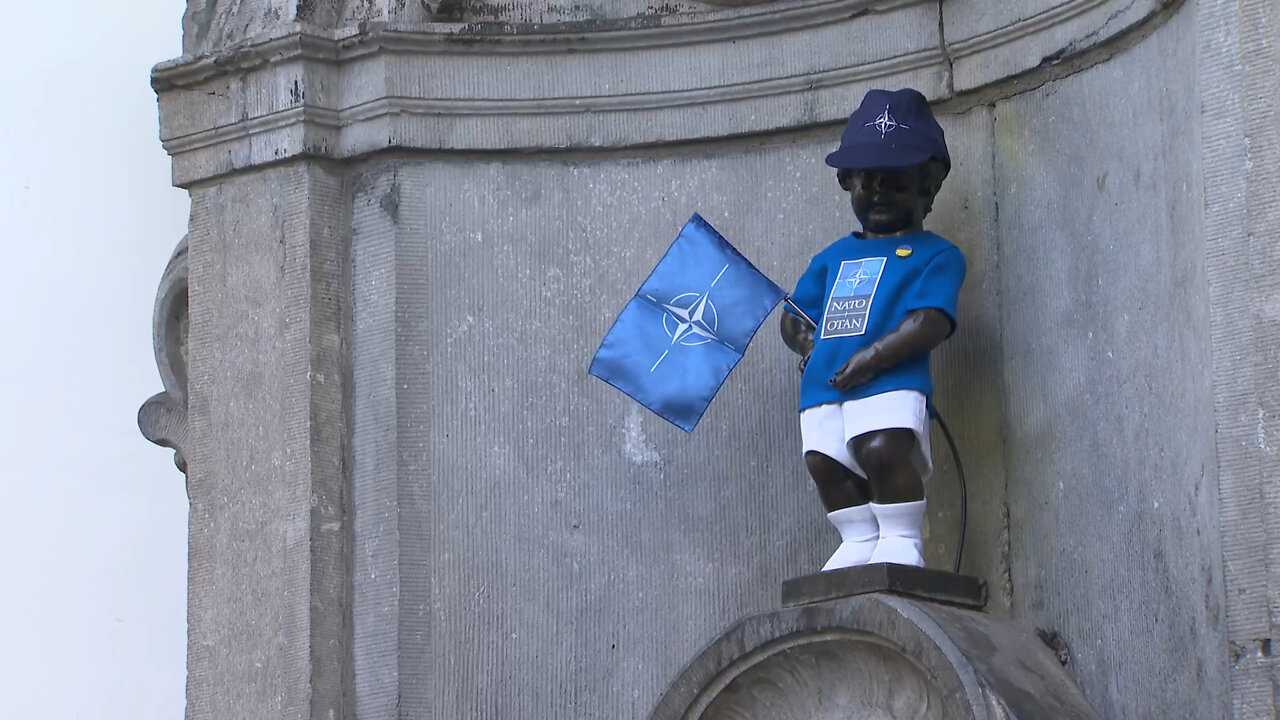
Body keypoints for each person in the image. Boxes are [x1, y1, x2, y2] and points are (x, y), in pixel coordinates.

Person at [781, 88, 965, 570]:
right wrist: (807, 340)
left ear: (928, 188)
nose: (879, 193)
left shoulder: (936, 255)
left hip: (889, 379)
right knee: (825, 461)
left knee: (881, 447)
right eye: (868, 181)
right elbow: (795, 315)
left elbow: (929, 321)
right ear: (847, 183)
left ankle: (901, 537)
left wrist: (874, 358)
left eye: (896, 182)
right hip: (825, 381)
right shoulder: (831, 258)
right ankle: (858, 538)